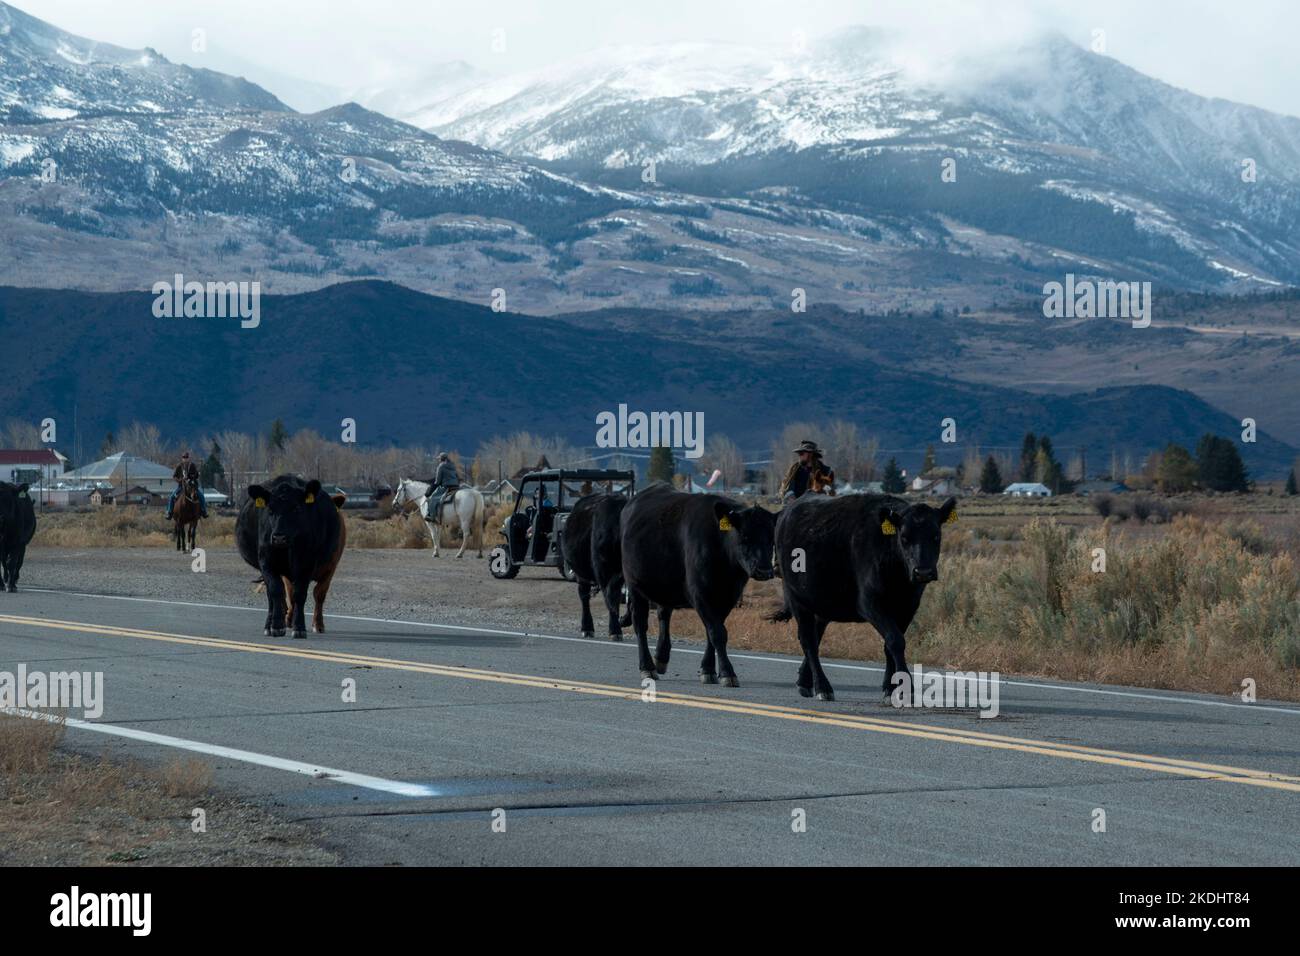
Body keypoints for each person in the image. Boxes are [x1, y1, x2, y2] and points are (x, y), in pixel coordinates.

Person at [165, 451, 208, 519]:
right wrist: (180, 480)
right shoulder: (179, 466)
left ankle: (204, 511)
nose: (185, 459)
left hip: (191, 486)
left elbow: (196, 475)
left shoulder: (192, 465)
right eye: (184, 457)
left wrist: (192, 477)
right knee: (172, 497)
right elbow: (174, 476)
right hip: (181, 486)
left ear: (189, 458)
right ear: (182, 458)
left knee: (201, 496)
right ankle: (169, 512)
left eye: (186, 457)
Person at [423, 452, 460, 524]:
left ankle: (431, 516)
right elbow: (457, 476)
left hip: (447, 486)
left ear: (441, 459)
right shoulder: (452, 465)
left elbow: (437, 481)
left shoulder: (441, 466)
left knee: (433, 498)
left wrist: (431, 489)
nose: (439, 460)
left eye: (439, 459)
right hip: (456, 486)